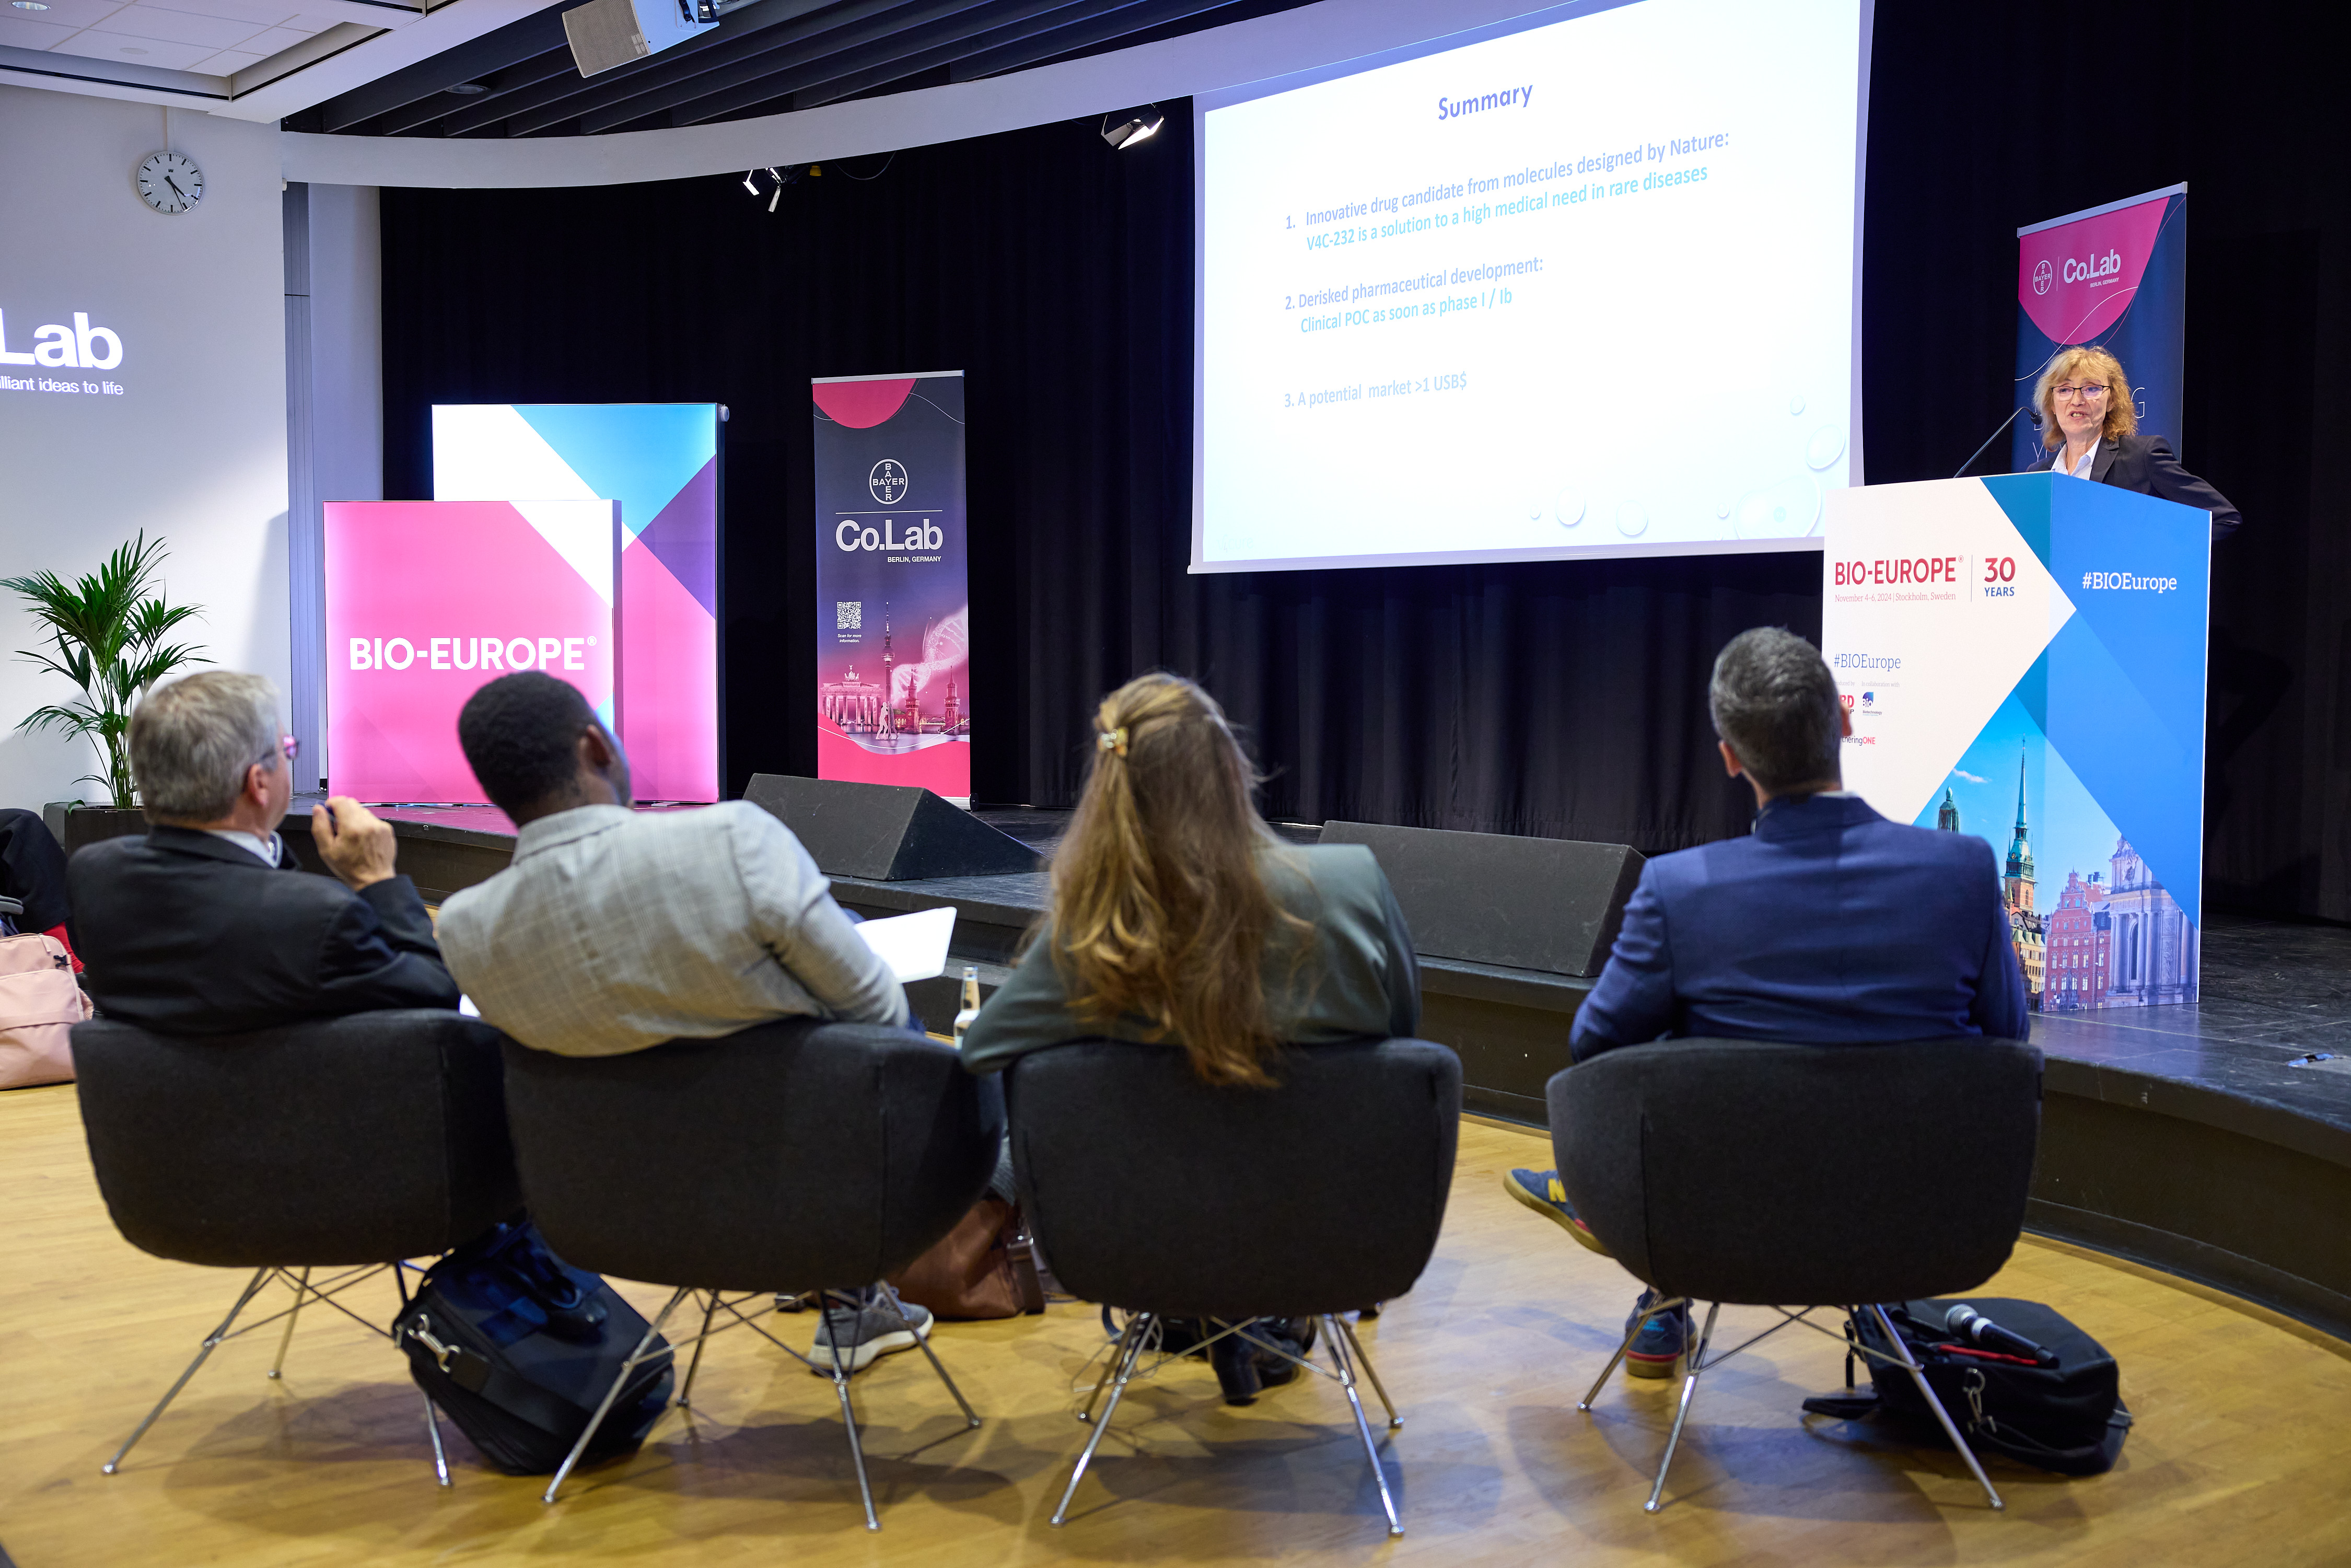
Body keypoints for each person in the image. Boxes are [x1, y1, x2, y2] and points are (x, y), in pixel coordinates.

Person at [1504, 628, 2028, 1377]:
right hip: (1917, 1223)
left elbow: (1594, 1042)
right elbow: (2006, 1035)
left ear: (1728, 756)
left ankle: (1658, 1295)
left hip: (1724, 1228)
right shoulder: (1966, 872)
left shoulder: (1678, 890)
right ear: (1844, 723)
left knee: (1667, 1050)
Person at [430, 670, 917, 1370]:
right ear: (596, 745)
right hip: (812, 1191)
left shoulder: (468, 928)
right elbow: (881, 1014)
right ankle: (847, 1292)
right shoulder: (733, 839)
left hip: (617, 1226)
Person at [959, 671, 1422, 1402]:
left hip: (1139, 1245)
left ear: (1108, 786)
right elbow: (1404, 1048)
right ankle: (1269, 1311)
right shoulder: (1352, 882)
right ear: (1231, 768)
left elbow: (979, 1057)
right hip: (1337, 1235)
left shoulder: (1095, 932)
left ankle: (1195, 1307)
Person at [69, 671, 458, 1032]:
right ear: (258, 782)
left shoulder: (95, 874)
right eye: (287, 749)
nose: (289, 759)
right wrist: (377, 879)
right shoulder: (316, 914)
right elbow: (434, 995)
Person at [2023, 345, 2241, 541]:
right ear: (2051, 404)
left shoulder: (2142, 457)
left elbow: (2221, 517)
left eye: (2091, 389)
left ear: (2112, 401)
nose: (2077, 400)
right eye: (2064, 390)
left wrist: (2148, 553)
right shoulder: (2038, 475)